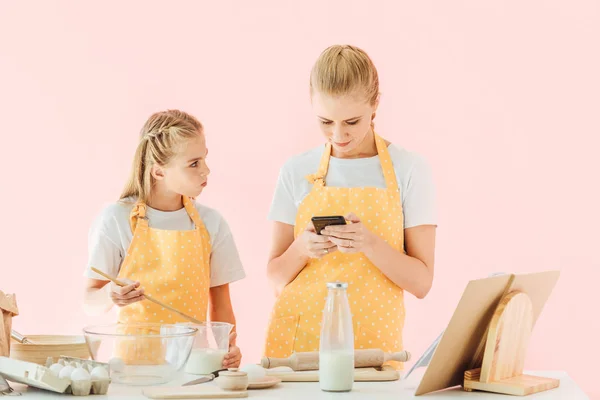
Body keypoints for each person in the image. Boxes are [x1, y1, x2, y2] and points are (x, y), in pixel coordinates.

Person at [264, 45, 437, 369]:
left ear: (376, 105)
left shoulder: (409, 169)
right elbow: (275, 276)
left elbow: (421, 283)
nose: (338, 134)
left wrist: (368, 243)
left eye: (352, 121)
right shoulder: (295, 170)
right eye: (325, 121)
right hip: (298, 351)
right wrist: (302, 248)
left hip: (373, 352)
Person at [83, 110, 244, 368]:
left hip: (193, 369)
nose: (207, 170)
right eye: (194, 164)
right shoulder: (116, 219)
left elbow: (221, 305)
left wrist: (228, 348)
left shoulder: (211, 223)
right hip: (132, 371)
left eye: (204, 159)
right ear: (158, 172)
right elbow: (90, 301)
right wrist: (111, 295)